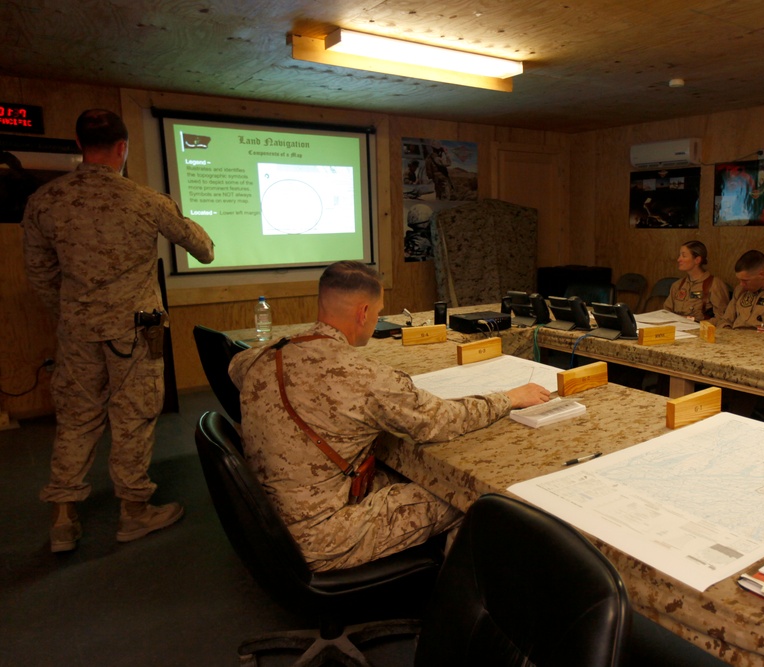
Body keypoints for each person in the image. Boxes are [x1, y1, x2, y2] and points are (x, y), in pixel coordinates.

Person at [229, 261, 551, 571]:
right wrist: (509, 398)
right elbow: (442, 420)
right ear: (364, 313)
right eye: (379, 311)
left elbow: (235, 370)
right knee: (470, 496)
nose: (376, 318)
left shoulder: (263, 354)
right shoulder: (364, 378)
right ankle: (456, 609)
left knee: (410, 476)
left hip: (269, 516)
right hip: (320, 537)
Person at [22, 109, 215, 552]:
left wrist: (72, 313)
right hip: (134, 335)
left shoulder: (45, 201)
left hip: (77, 333)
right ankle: (133, 513)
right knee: (133, 418)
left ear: (78, 146)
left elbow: (39, 273)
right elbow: (203, 250)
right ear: (123, 148)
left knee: (75, 419)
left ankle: (63, 519)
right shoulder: (147, 201)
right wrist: (175, 211)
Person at [661, 240, 730, 322]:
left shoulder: (714, 284)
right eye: (679, 255)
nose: (679, 259)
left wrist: (697, 323)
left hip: (701, 330)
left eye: (684, 256)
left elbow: (722, 318)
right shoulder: (678, 285)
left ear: (697, 260)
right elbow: (666, 312)